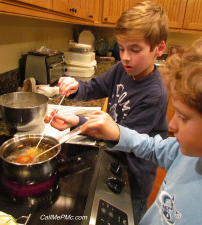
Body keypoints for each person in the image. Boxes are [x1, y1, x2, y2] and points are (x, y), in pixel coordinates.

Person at [79, 30, 202, 224]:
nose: (171, 124)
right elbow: (150, 146)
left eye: (184, 117)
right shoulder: (185, 154)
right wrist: (118, 132)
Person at [51, 1, 169, 223]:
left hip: (133, 175)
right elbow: (96, 86)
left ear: (159, 49)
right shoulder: (122, 69)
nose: (125, 57)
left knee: (131, 215)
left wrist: (78, 120)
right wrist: (78, 87)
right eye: (121, 47)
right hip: (113, 156)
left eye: (135, 50)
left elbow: (123, 136)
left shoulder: (154, 94)